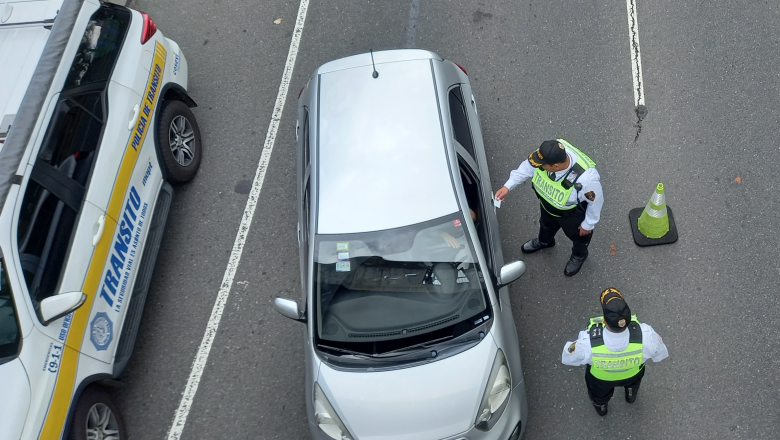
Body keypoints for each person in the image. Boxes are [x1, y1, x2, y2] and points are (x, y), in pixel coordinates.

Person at [494, 139, 603, 276]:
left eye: (543, 166)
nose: (539, 167)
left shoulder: (586, 180)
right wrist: (507, 186)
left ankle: (579, 255)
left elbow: (596, 202)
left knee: (579, 237)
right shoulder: (547, 154)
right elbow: (527, 167)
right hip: (548, 207)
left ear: (556, 166)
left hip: (571, 215)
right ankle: (545, 242)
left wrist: (588, 224)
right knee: (545, 225)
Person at [561, 288, 669, 416]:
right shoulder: (646, 335)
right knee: (633, 385)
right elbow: (661, 354)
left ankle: (601, 408)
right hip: (633, 374)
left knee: (599, 395)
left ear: (604, 320)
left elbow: (568, 358)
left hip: (600, 380)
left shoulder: (587, 342)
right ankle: (630, 395)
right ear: (630, 319)